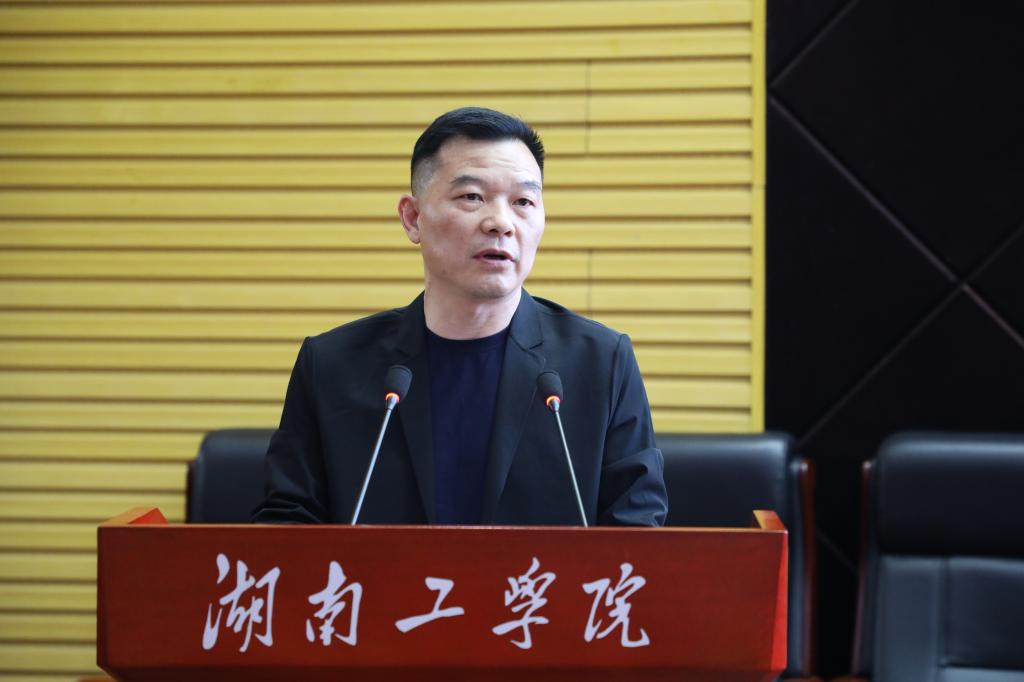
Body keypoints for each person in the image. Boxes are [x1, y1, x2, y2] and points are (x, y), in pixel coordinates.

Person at [253, 107, 667, 526]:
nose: (501, 223)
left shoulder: (602, 363)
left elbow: (636, 534)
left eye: (523, 202)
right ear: (412, 218)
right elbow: (286, 531)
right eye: (472, 197)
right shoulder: (331, 367)